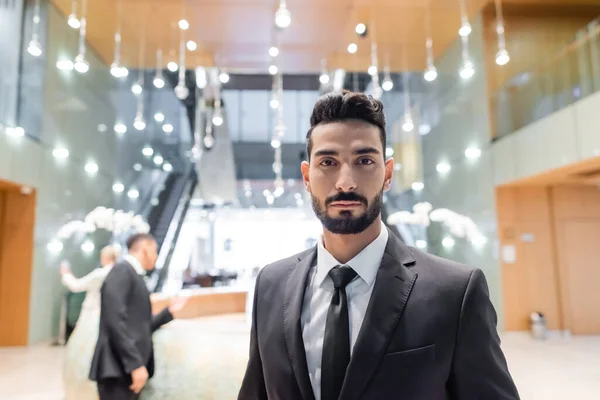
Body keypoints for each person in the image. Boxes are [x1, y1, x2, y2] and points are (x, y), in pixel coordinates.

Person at [238, 90, 520, 400]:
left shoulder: (455, 293)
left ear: (387, 174)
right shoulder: (271, 285)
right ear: (307, 177)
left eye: (364, 161)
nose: (346, 181)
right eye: (328, 162)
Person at [89, 233, 187, 400]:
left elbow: (138, 324)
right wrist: (135, 365)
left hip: (124, 370)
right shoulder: (122, 271)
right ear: (145, 249)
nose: (156, 256)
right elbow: (115, 322)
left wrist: (168, 312)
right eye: (154, 250)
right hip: (117, 369)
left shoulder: (133, 275)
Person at [61, 245, 120, 400]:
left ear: (105, 257)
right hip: (112, 320)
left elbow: (76, 286)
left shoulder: (100, 274)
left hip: (93, 318)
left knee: (83, 354)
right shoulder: (120, 274)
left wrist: (66, 274)